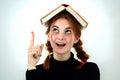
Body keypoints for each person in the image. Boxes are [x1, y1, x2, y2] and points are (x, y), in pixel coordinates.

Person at [26, 4, 100, 80]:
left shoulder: (89, 70)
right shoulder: (35, 72)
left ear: (76, 38)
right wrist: (31, 66)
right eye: (55, 30)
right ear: (49, 36)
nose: (61, 37)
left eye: (67, 31)